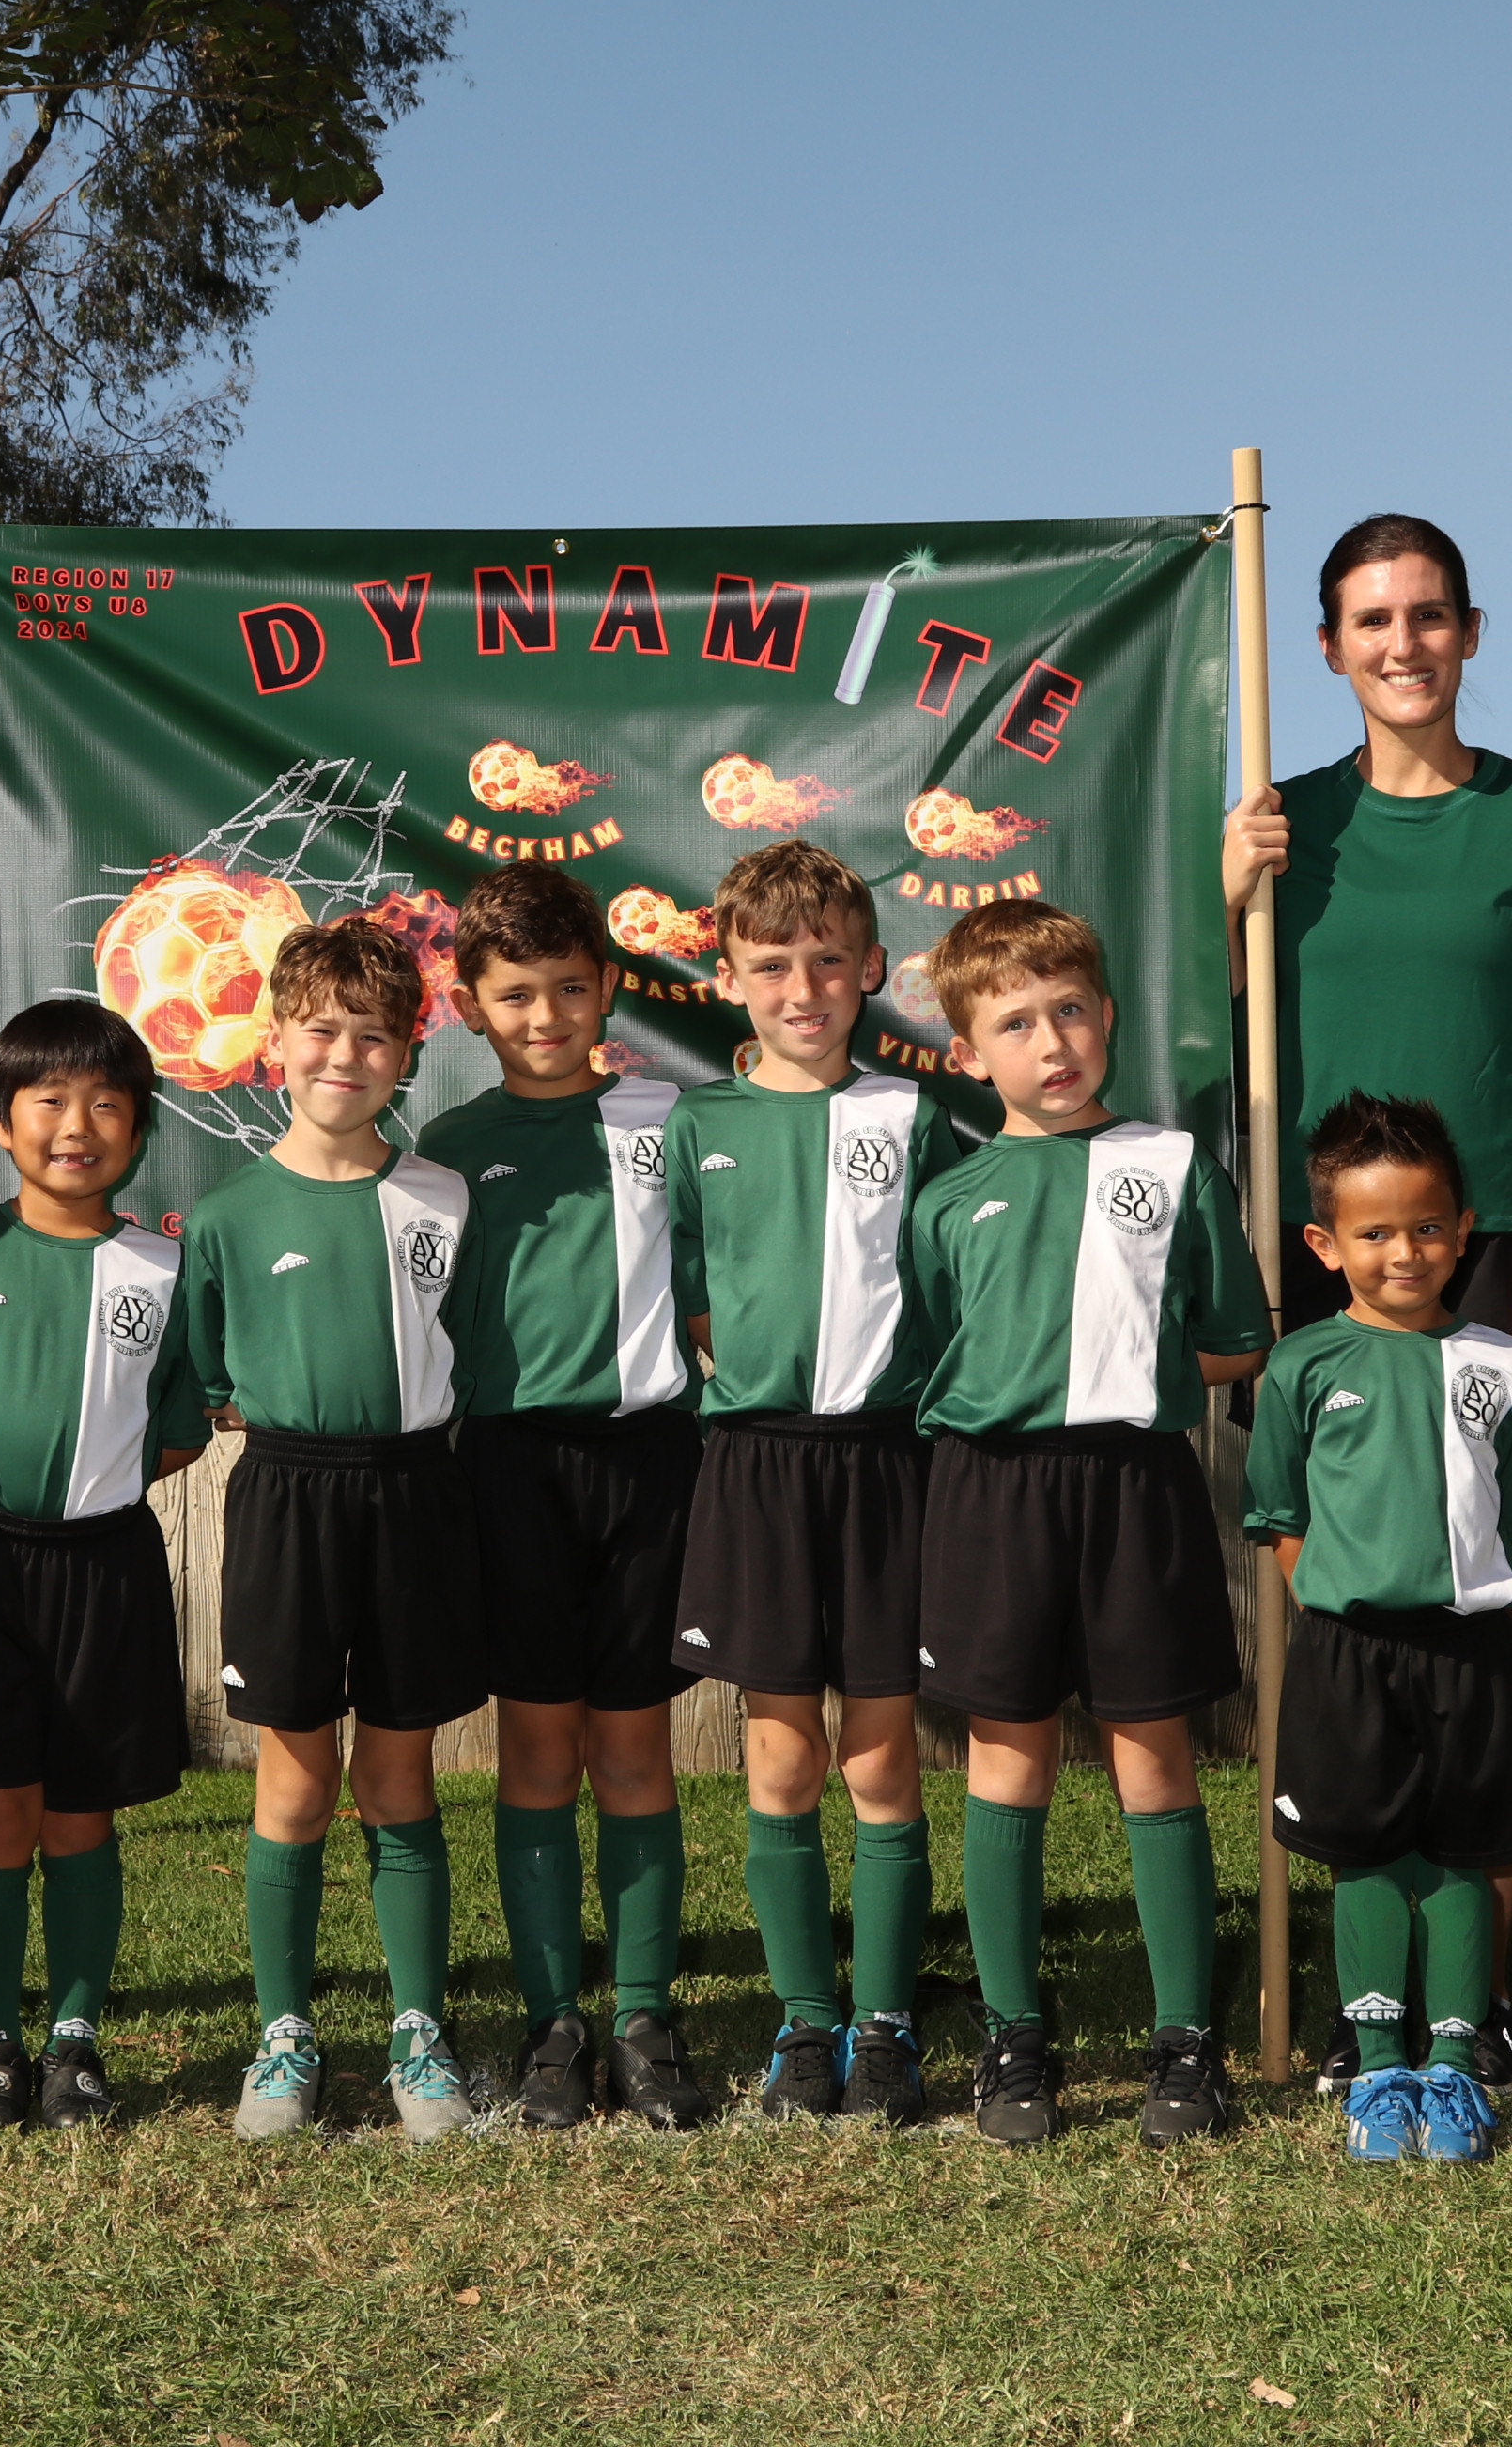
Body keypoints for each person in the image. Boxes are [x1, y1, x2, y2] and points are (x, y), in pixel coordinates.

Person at [1221, 511, 1512, 2089]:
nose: (1403, 643)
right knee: (1331, 1611)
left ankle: (1476, 1985)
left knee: (1488, 1613)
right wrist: (1222, 901)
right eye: (1371, 620)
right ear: (1325, 646)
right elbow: (1200, 1024)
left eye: (1428, 614)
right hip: (1326, 1257)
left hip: (1500, 1249)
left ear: (1468, 632)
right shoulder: (1281, 826)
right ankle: (1363, 1988)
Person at [905, 900, 1273, 2148]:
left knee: (1153, 1757)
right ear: (968, 1053)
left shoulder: (1173, 1168)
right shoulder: (948, 1200)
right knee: (1006, 1759)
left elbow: (1236, 1342)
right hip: (989, 1493)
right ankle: (1012, 2040)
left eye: (1069, 1010)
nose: (1051, 1040)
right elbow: (933, 1352)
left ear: (1108, 1016)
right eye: (1015, 1022)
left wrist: (1123, 1372)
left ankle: (1184, 2042)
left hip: (1134, 1488)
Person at [174, 918, 486, 2143]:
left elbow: (469, 1343)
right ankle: (285, 2031)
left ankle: (418, 2029)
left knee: (400, 1774)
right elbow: (209, 1370)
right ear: (275, 1042)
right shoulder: (229, 1215)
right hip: (287, 1498)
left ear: (408, 1052)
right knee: (295, 1778)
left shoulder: (443, 1198)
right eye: (321, 1030)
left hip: (416, 1497)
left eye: (373, 1035)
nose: (344, 1056)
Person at [663, 842, 961, 2125]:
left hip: (888, 1463)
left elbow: (948, 1287)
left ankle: (884, 2025)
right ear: (730, 978)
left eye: (829, 960)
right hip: (758, 1467)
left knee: (881, 1766)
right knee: (781, 1763)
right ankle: (803, 2021)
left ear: (872, 969)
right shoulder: (700, 1125)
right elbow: (686, 1291)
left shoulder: (915, 1118)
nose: (804, 987)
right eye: (773, 964)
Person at [414, 863, 710, 2132]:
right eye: (517, 994)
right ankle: (553, 2021)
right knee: (537, 1750)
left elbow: (716, 1282)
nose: (546, 1016)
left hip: (651, 1460)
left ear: (609, 989)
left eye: (570, 989)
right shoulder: (446, 1152)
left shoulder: (667, 1120)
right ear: (469, 1006)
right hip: (509, 1465)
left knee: (635, 1749)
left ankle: (642, 2014)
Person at [0, 999, 210, 2131]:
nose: (76, 1125)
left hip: (106, 1568)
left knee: (83, 1816)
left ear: (140, 1126)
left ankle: (76, 2042)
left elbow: (178, 1428)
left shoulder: (161, 1267)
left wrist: (97, 1480)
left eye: (106, 1104)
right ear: (2, 1120)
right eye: (48, 1100)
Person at [1242, 1092, 1512, 2167]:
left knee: (1466, 1857)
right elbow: (1280, 1517)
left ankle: (1454, 2067)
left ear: (1464, 1229)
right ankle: (1377, 2068)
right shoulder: (1301, 1366)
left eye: (1425, 1226)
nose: (1404, 1251)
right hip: (1347, 1654)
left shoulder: (1501, 1364)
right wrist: (1345, 1598)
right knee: (1364, 1856)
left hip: (1470, 1652)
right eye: (1374, 1231)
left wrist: (1474, 1608)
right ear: (1325, 1243)